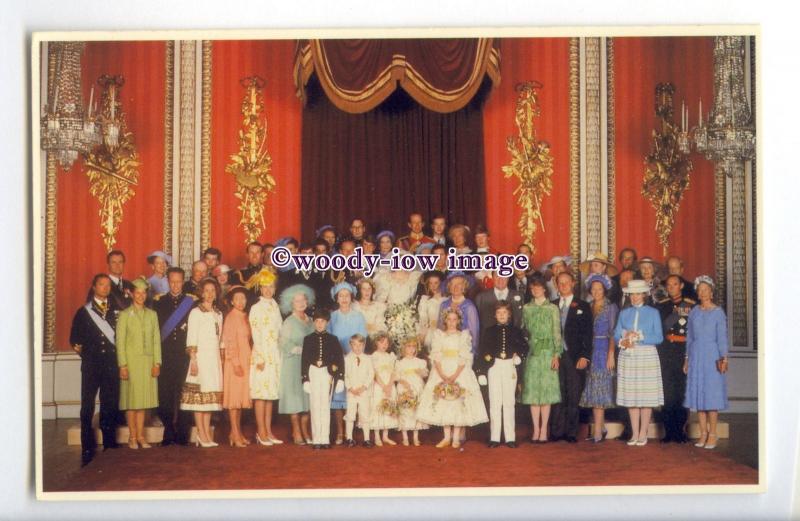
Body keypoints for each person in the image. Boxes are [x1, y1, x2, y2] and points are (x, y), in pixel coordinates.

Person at [416, 309, 488, 448]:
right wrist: (442, 374)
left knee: (457, 403)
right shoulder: (439, 335)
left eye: (454, 319)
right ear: (445, 320)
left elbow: (465, 357)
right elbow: (435, 355)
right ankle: (446, 437)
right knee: (444, 402)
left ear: (459, 321)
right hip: (442, 370)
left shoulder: (463, 336)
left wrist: (455, 375)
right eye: (449, 319)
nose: (451, 322)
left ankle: (456, 438)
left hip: (459, 371)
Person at [71, 274, 121, 466]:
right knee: (87, 407)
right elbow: (75, 341)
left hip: (111, 365)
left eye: (108, 285)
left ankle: (109, 444)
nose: (105, 288)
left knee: (110, 404)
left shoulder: (116, 310)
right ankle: (87, 446)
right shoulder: (83, 312)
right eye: (101, 285)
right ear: (94, 287)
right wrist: (90, 357)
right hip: (92, 365)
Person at [614, 279, 665, 447]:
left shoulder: (653, 312)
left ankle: (643, 433)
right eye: (631, 294)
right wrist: (623, 341)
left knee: (645, 397)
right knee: (632, 396)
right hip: (628, 356)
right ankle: (634, 433)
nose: (634, 297)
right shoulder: (624, 313)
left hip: (646, 355)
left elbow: (658, 337)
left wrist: (640, 337)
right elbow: (616, 336)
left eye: (637, 294)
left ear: (644, 294)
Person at [683, 275, 729, 450]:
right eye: (700, 290)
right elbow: (690, 338)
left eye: (705, 290)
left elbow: (722, 339)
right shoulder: (694, 311)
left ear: (711, 291)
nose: (702, 293)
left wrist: (724, 358)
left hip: (712, 356)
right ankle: (702, 433)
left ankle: (713, 434)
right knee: (699, 397)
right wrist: (687, 359)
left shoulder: (718, 312)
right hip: (696, 355)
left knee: (711, 396)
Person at [116, 277, 162, 450]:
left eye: (144, 293)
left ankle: (141, 436)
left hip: (147, 361)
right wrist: (123, 365)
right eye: (138, 293)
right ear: (131, 294)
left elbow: (156, 340)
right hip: (131, 362)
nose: (141, 296)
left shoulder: (152, 315)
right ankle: (132, 437)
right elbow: (120, 342)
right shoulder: (125, 315)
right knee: (131, 401)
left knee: (142, 401)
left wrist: (157, 362)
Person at [153, 267, 195, 446]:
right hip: (166, 355)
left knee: (185, 393)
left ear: (183, 282)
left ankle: (183, 433)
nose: (176, 285)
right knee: (165, 394)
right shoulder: (158, 302)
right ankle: (168, 430)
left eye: (179, 281)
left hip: (185, 355)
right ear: (167, 282)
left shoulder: (191, 303)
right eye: (172, 281)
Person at [549, 271, 593, 443]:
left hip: (575, 356)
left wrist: (584, 356)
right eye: (560, 283)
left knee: (573, 394)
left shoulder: (583, 305)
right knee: (557, 393)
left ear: (573, 283)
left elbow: (588, 334)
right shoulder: (551, 305)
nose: (564, 285)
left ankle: (571, 432)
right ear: (556, 285)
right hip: (556, 356)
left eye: (567, 282)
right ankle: (556, 431)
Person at [476, 301, 527, 448]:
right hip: (495, 366)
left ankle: (510, 437)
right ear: (495, 315)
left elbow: (524, 347)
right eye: (499, 313)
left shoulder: (516, 331)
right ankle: (495, 437)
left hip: (509, 365)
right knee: (495, 402)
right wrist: (482, 372)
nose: (502, 315)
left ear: (509, 314)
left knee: (509, 402)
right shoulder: (489, 331)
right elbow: (483, 351)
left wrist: (519, 357)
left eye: (504, 312)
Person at [180, 278, 224, 448]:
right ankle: (200, 433)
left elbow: (219, 339)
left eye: (213, 290)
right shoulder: (196, 312)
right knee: (199, 399)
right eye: (206, 290)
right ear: (201, 292)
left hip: (214, 360)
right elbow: (191, 337)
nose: (210, 294)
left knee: (209, 399)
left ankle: (206, 434)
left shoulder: (218, 313)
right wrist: (193, 360)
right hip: (200, 358)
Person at [520, 276, 562, 443]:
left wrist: (556, 354)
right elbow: (522, 328)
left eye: (538, 288)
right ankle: (535, 429)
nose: (535, 291)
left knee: (546, 393)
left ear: (544, 289)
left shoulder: (552, 308)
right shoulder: (527, 308)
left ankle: (544, 428)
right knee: (532, 392)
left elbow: (557, 333)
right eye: (532, 289)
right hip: (532, 354)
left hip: (547, 353)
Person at [578, 274, 619, 443]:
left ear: (605, 290)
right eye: (593, 289)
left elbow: (613, 333)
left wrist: (610, 354)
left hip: (603, 352)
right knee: (593, 390)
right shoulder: (588, 306)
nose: (596, 292)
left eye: (599, 289)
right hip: (590, 352)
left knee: (600, 391)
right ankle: (600, 428)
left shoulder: (611, 307)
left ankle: (597, 432)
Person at [327, 282, 368, 444]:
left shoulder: (358, 316)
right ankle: (340, 432)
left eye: (347, 295)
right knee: (338, 396)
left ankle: (353, 432)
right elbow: (329, 339)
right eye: (341, 296)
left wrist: (353, 356)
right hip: (337, 360)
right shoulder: (332, 317)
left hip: (353, 360)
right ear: (336, 298)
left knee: (353, 395)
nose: (344, 298)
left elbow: (362, 338)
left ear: (352, 297)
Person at [656, 274, 695, 443]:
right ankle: (668, 432)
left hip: (683, 352)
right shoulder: (661, 306)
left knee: (681, 393)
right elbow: (660, 330)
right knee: (667, 393)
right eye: (669, 285)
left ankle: (680, 431)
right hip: (666, 352)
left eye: (675, 284)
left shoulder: (691, 305)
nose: (671, 287)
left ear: (681, 286)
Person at [248, 269, 284, 446]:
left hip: (274, 354)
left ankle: (268, 430)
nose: (268, 290)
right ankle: (260, 431)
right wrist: (260, 357)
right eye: (264, 287)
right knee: (260, 394)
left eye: (271, 287)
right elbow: (256, 333)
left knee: (270, 394)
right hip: (262, 354)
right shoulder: (256, 308)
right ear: (260, 289)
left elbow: (279, 331)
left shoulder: (275, 306)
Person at [278, 284, 316, 445]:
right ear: (291, 304)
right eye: (296, 300)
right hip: (293, 364)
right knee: (295, 398)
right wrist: (297, 349)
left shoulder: (311, 320)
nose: (301, 303)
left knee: (307, 398)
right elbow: (283, 343)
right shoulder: (289, 322)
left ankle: (305, 430)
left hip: (309, 364)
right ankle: (296, 431)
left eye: (303, 299)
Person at [301, 308, 345, 450]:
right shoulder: (308, 339)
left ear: (327, 323)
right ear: (314, 322)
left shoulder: (333, 339)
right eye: (317, 321)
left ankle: (324, 438)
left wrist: (340, 378)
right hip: (313, 372)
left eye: (323, 321)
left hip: (327, 374)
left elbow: (339, 360)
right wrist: (305, 379)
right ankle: (316, 439)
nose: (320, 324)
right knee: (315, 406)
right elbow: (304, 360)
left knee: (325, 406)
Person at [221, 286, 253, 447]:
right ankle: (234, 433)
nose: (240, 302)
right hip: (235, 362)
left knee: (240, 399)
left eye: (243, 298)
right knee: (234, 400)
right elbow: (229, 342)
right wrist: (235, 363)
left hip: (246, 360)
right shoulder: (231, 317)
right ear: (232, 301)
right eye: (237, 299)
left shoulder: (245, 317)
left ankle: (237, 433)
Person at [394, 337, 429, 447]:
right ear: (404, 348)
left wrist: (421, 372)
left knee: (415, 410)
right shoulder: (399, 362)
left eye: (413, 347)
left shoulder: (420, 362)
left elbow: (425, 374)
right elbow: (396, 376)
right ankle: (405, 437)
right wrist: (403, 382)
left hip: (417, 386)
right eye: (408, 346)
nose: (411, 349)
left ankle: (415, 436)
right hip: (404, 386)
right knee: (405, 409)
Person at [344, 334, 375, 447]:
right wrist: (351, 388)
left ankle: (366, 439)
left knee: (364, 414)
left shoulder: (367, 359)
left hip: (363, 391)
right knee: (350, 415)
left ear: (364, 345)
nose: (357, 347)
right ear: (350, 345)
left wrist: (364, 387)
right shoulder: (346, 359)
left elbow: (371, 374)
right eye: (354, 345)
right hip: (352, 392)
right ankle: (349, 438)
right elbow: (345, 375)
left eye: (360, 345)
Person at [438, 272, 480, 354]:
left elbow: (474, 335)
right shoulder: (444, 305)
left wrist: (471, 355)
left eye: (459, 284)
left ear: (464, 286)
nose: (455, 287)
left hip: (463, 351)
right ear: (449, 287)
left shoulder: (469, 306)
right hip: (445, 350)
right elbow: (439, 330)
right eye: (452, 284)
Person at [370, 332, 399, 446]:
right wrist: (383, 386)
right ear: (376, 342)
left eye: (387, 343)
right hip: (379, 385)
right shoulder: (374, 356)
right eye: (382, 342)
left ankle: (385, 436)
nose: (384, 345)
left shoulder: (390, 356)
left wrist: (390, 385)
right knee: (378, 407)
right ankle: (377, 437)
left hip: (389, 385)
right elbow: (375, 374)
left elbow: (393, 372)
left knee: (388, 407)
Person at [416, 271, 446, 352]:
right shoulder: (425, 299)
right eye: (430, 283)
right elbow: (423, 318)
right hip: (431, 331)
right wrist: (423, 333)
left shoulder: (446, 299)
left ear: (440, 283)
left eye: (436, 283)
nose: (433, 286)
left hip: (444, 331)